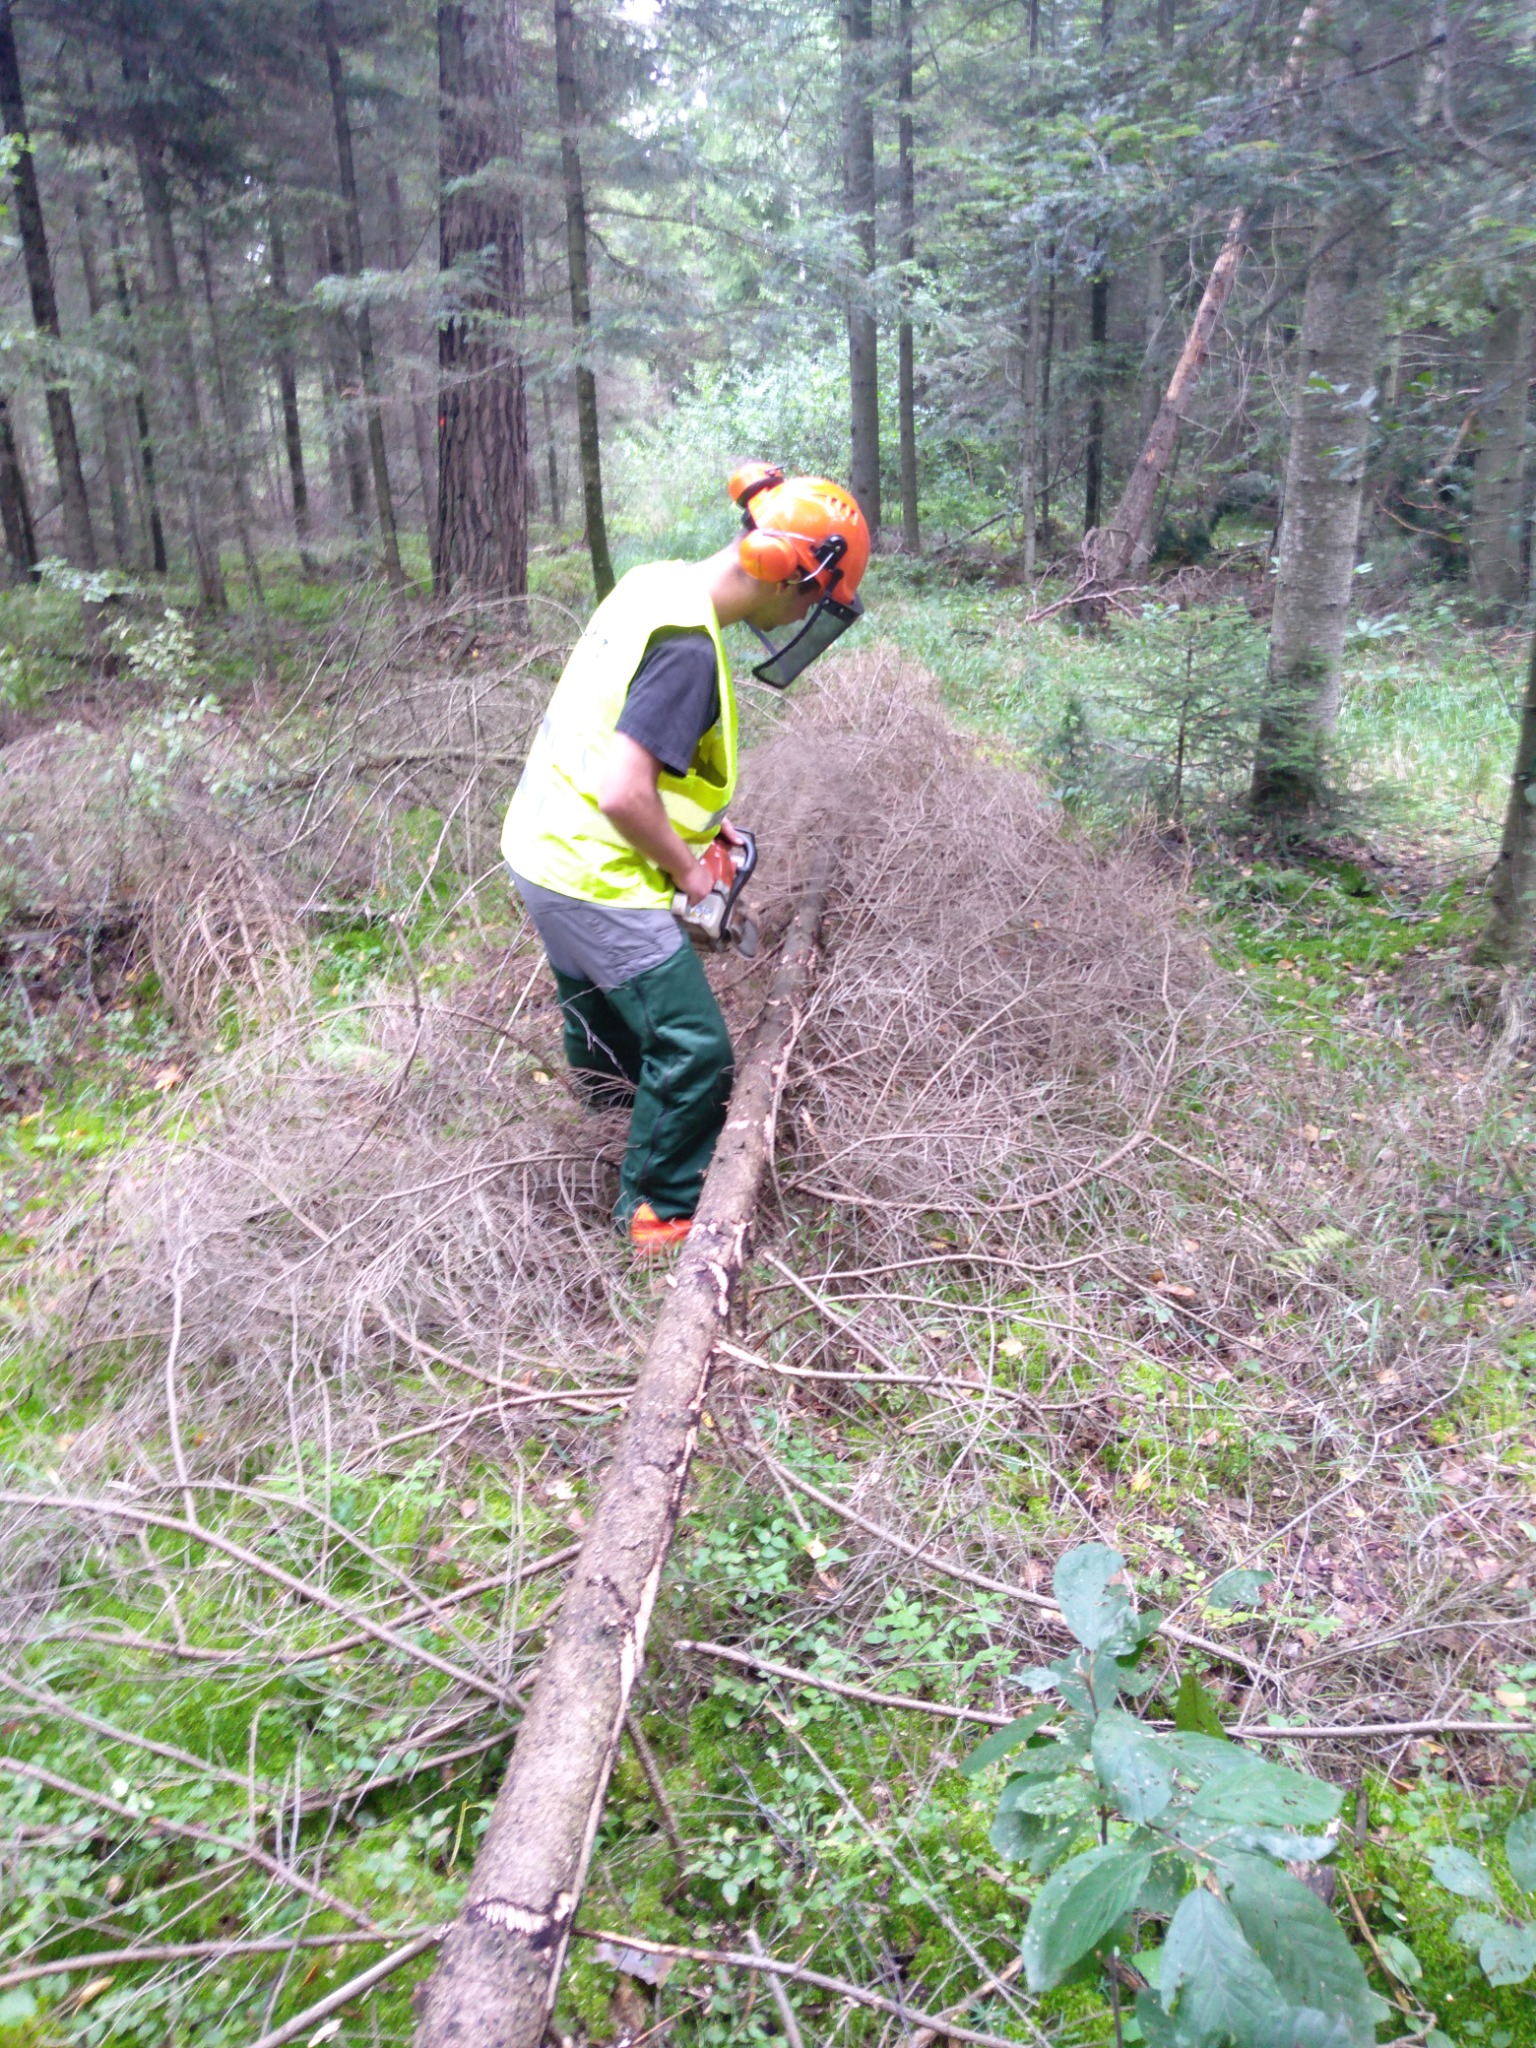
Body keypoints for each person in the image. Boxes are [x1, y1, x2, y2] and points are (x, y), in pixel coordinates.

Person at [503, 463, 870, 1251]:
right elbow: (626, 793)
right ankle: (659, 1213)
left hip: (540, 849)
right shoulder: (692, 652)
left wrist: (706, 823)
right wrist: (690, 870)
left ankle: (610, 1129)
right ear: (789, 574)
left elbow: (625, 735)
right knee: (696, 1045)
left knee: (599, 1005)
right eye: (815, 596)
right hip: (592, 872)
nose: (808, 610)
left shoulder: (656, 586)